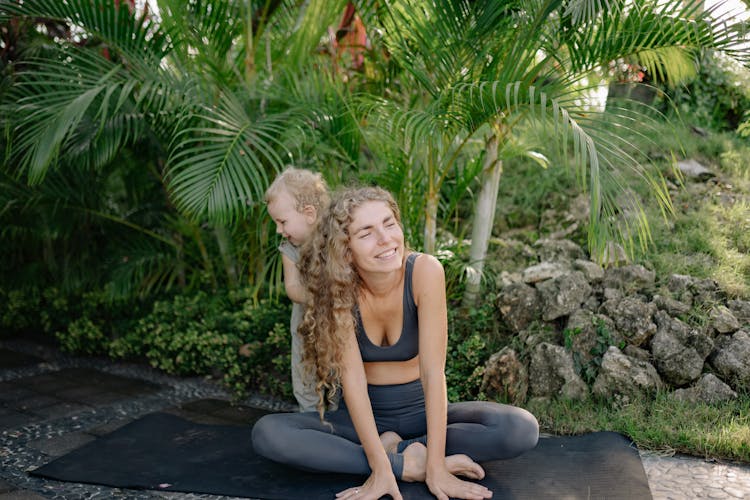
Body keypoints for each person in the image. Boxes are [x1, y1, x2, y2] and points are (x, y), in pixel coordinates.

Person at [252, 186, 538, 500]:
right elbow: (354, 382)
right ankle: (402, 461)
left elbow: (433, 373)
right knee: (269, 434)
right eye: (367, 233)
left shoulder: (425, 272)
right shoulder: (339, 289)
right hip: (362, 419)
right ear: (346, 250)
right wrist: (388, 468)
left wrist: (437, 468)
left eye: (389, 223)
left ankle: (405, 450)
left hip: (422, 415)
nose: (386, 239)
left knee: (520, 428)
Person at [264, 167, 334, 412]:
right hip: (305, 325)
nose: (278, 230)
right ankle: (310, 416)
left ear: (309, 213)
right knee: (305, 371)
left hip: (338, 324)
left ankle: (342, 416)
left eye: (282, 222)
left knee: (341, 371)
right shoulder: (289, 249)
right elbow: (293, 288)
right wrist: (324, 293)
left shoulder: (337, 240)